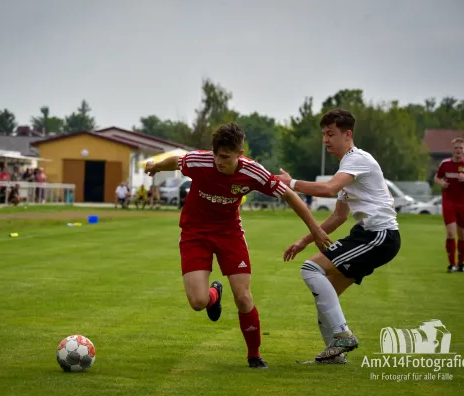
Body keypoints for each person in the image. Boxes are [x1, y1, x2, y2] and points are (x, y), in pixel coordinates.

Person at [144, 123, 331, 369]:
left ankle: (254, 355)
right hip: (195, 234)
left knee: (243, 297)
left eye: (225, 157)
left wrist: (315, 229)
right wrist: (156, 166)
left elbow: (289, 195)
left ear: (239, 154)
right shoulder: (200, 162)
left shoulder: (254, 172)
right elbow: (178, 161)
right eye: (216, 156)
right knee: (198, 302)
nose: (219, 162)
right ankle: (213, 295)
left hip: (229, 234)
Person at [276, 108, 401, 364]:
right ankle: (335, 355)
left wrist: (291, 183)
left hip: (379, 235)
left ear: (348, 134)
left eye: (330, 134)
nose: (325, 140)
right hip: (367, 234)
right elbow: (338, 217)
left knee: (311, 269)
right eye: (323, 134)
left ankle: (343, 335)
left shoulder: (357, 159)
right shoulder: (349, 166)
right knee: (327, 295)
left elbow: (329, 188)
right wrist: (303, 241)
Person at [433, 137, 464, 273]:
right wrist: (441, 183)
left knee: (462, 235)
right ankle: (452, 264)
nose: (458, 150)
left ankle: (461, 264)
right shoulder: (445, 164)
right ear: (452, 150)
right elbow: (437, 177)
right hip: (449, 201)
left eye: (460, 148)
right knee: (450, 232)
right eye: (455, 148)